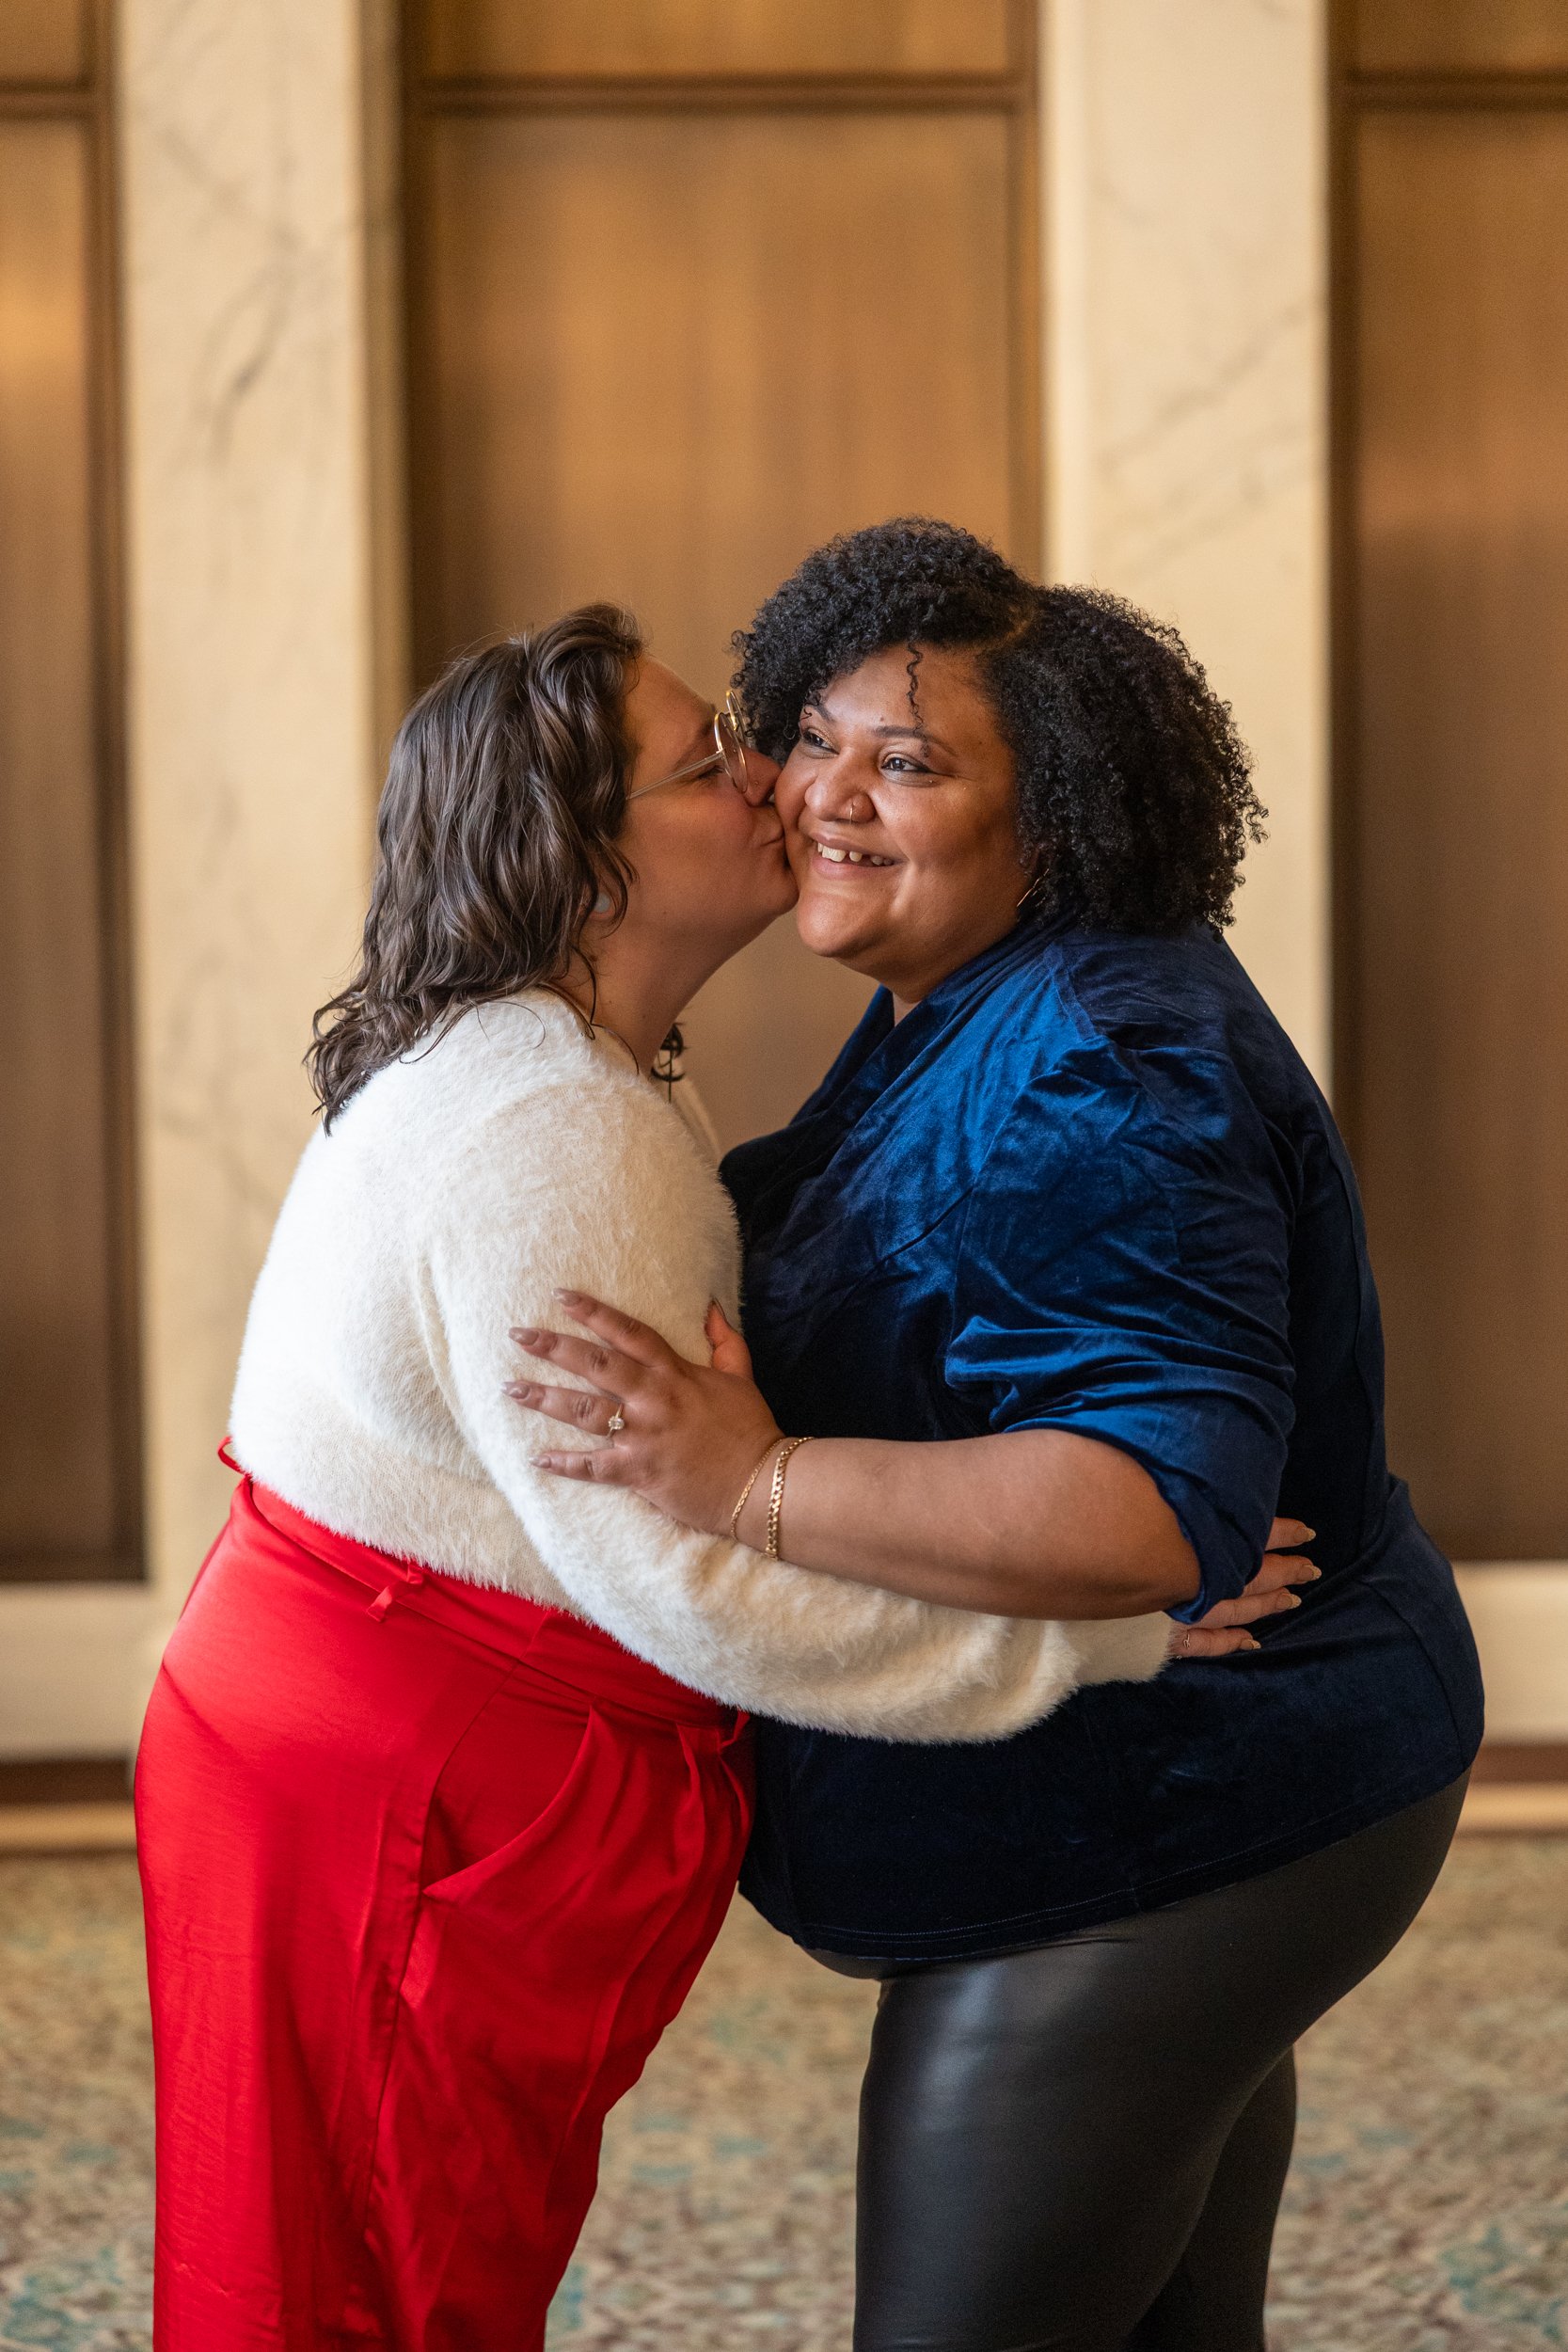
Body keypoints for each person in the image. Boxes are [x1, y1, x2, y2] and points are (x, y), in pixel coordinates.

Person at [134, 603, 1301, 2352]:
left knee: (345, 2265)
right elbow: (697, 1588)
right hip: (394, 1799)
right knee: (379, 2285)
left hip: (346, 1754)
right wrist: (1100, 1639)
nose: (773, 780)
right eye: (711, 763)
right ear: (586, 863)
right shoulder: (556, 1129)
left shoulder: (559, 1065)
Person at [511, 523, 1485, 2352]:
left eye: (912, 759)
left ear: (1062, 816)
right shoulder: (974, 996)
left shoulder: (1098, 1059)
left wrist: (749, 1481)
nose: (826, 794)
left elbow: (1141, 1511)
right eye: (812, 735)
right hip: (1203, 1773)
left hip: (1188, 1821)